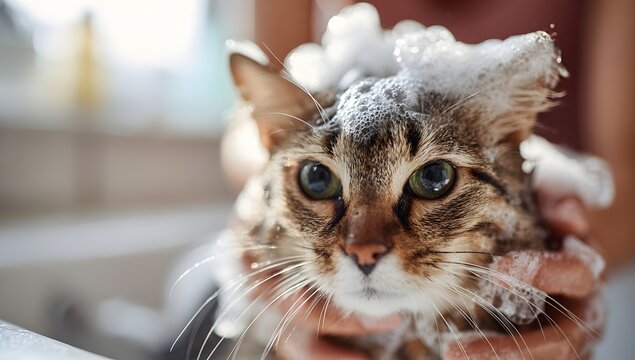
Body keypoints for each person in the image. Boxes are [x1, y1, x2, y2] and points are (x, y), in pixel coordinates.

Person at [227, 0, 634, 358]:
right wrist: (257, 226)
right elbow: (254, 127)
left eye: (432, 179)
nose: (363, 246)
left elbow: (628, 168)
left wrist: (565, 254)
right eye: (319, 180)